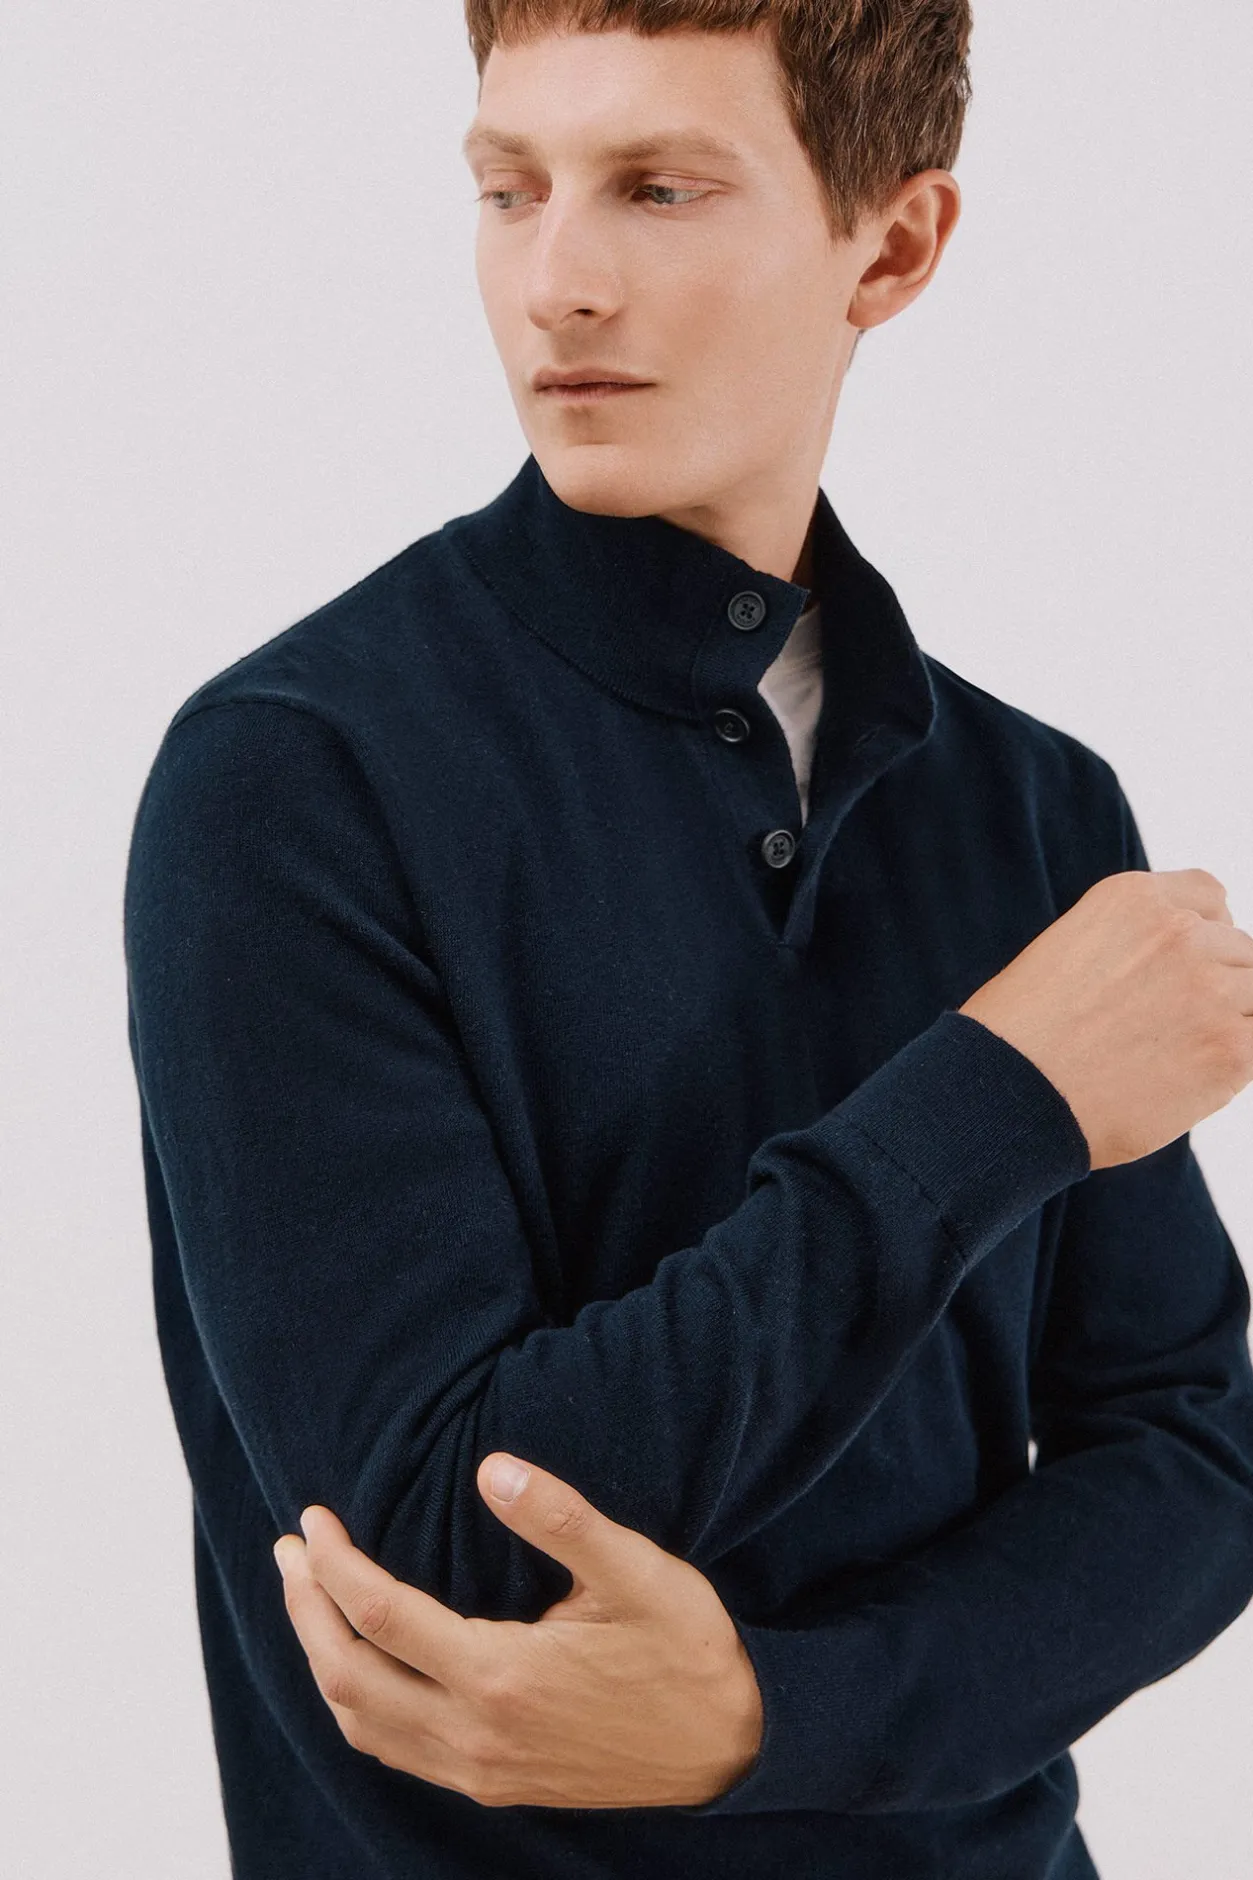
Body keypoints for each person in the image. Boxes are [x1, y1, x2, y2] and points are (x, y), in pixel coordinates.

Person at [122, 6, 1253, 1878]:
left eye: (658, 189)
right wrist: (1002, 1095)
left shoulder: (1041, 809)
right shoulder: (296, 780)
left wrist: (769, 1720)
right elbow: (449, 1548)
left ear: (890, 247)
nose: (556, 283)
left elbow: (1193, 1456)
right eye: (511, 189)